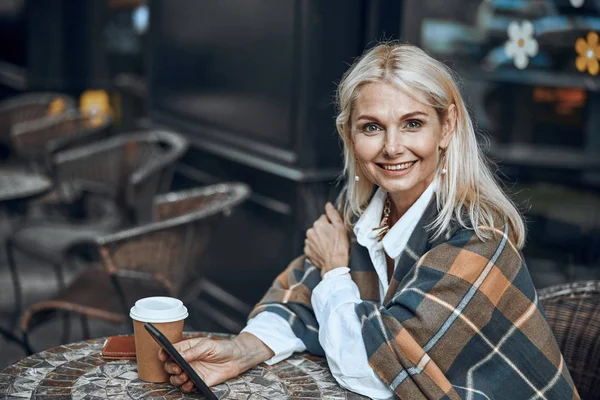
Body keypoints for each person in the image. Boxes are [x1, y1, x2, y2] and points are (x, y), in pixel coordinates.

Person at [159, 42, 579, 399]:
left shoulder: (478, 239)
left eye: (413, 124)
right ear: (350, 136)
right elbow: (299, 294)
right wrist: (245, 349)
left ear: (446, 127)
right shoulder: (363, 209)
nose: (392, 147)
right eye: (372, 127)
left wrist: (336, 269)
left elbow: (372, 368)